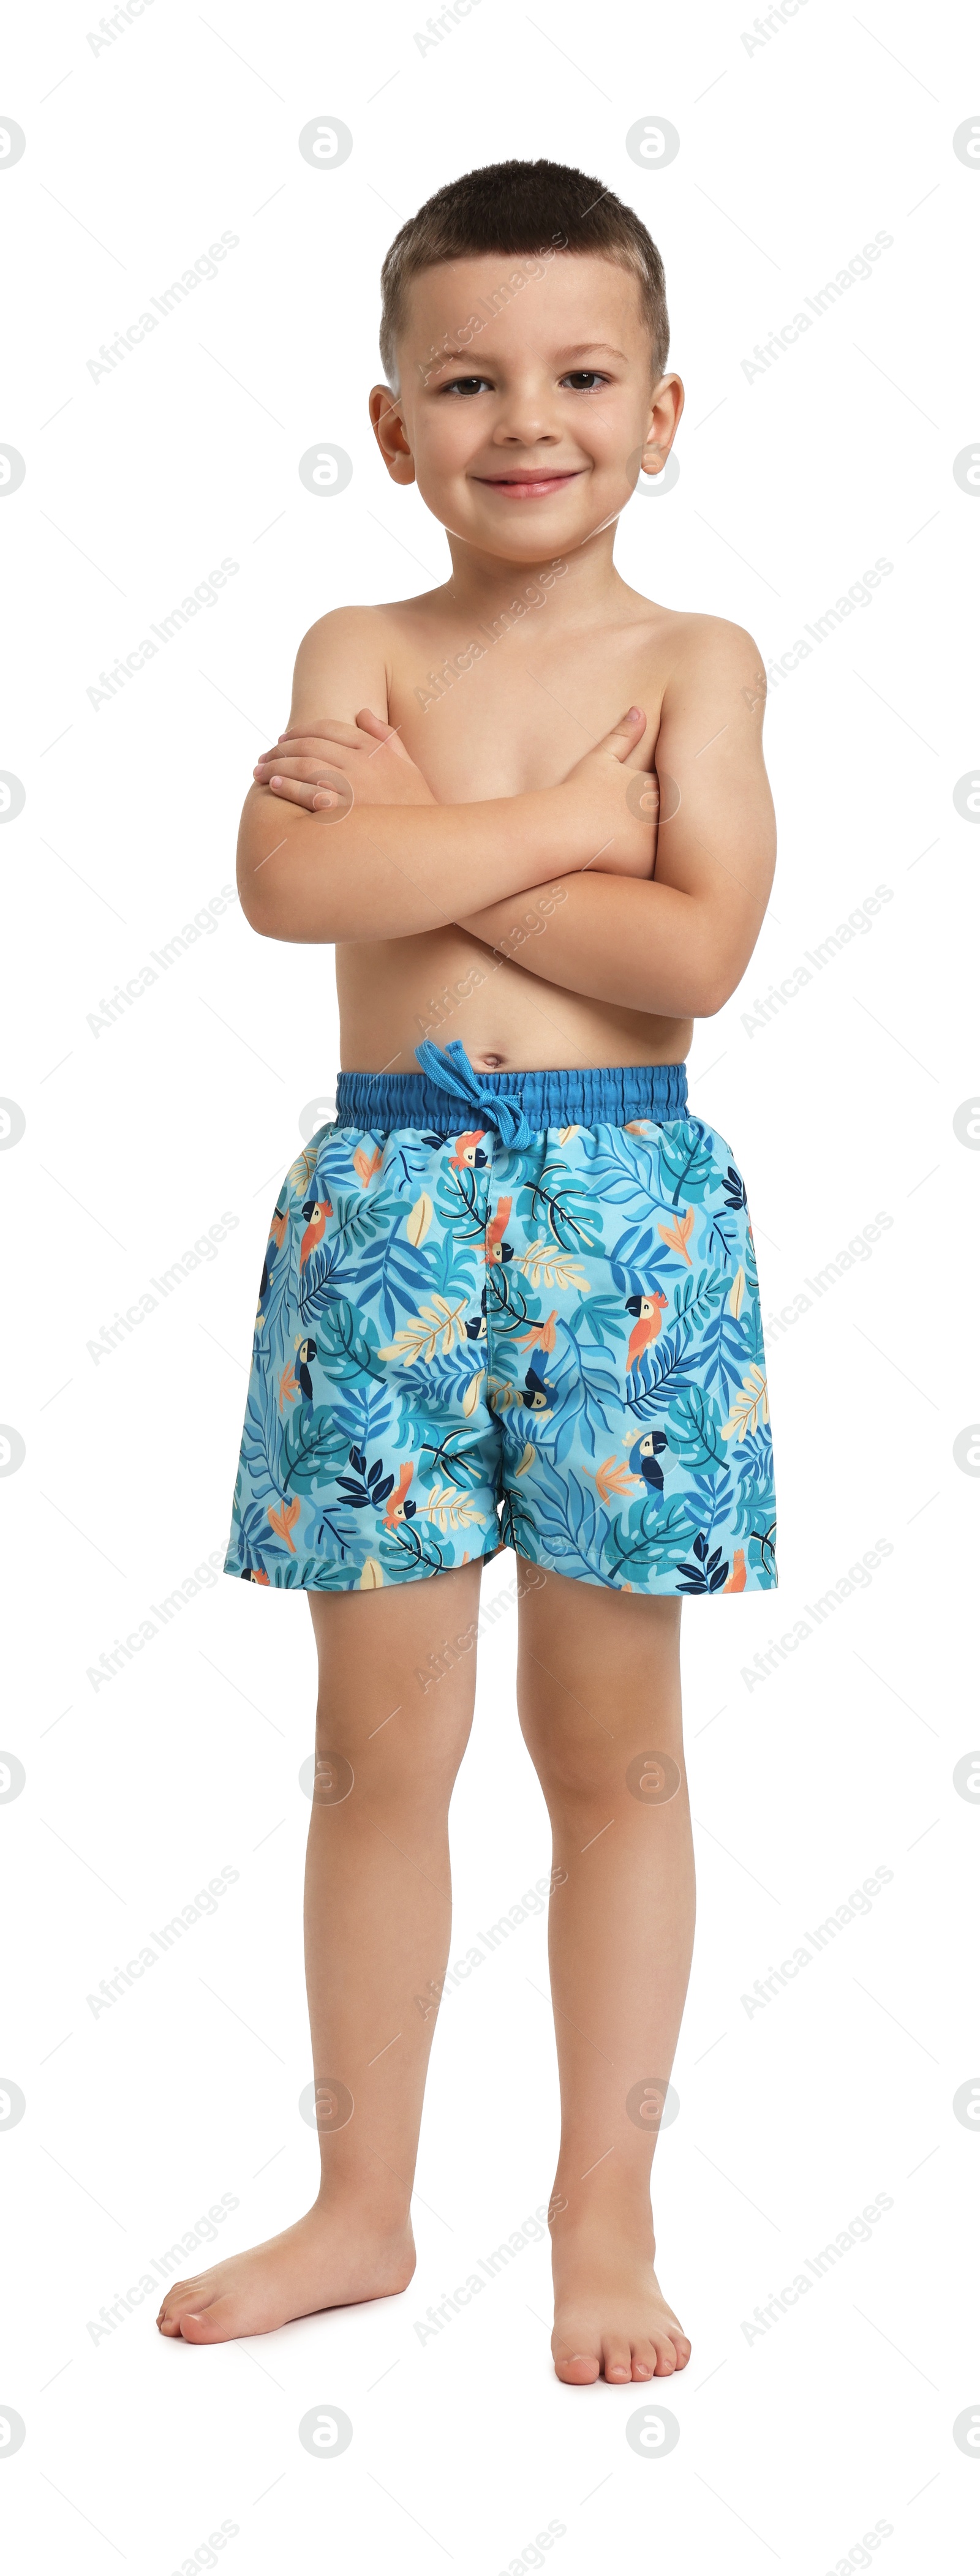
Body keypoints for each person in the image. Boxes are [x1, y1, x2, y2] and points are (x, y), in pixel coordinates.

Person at [157, 157, 778, 2385]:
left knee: (610, 1756)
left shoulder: (697, 662)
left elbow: (692, 945)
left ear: (663, 406)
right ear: (396, 418)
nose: (532, 417)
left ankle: (602, 2219)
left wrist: (425, 853)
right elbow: (283, 890)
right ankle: (362, 2203)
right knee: (372, 1755)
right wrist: (560, 829)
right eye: (471, 379)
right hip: (386, 1222)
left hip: (628, 1229)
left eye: (584, 374)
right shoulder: (360, 648)